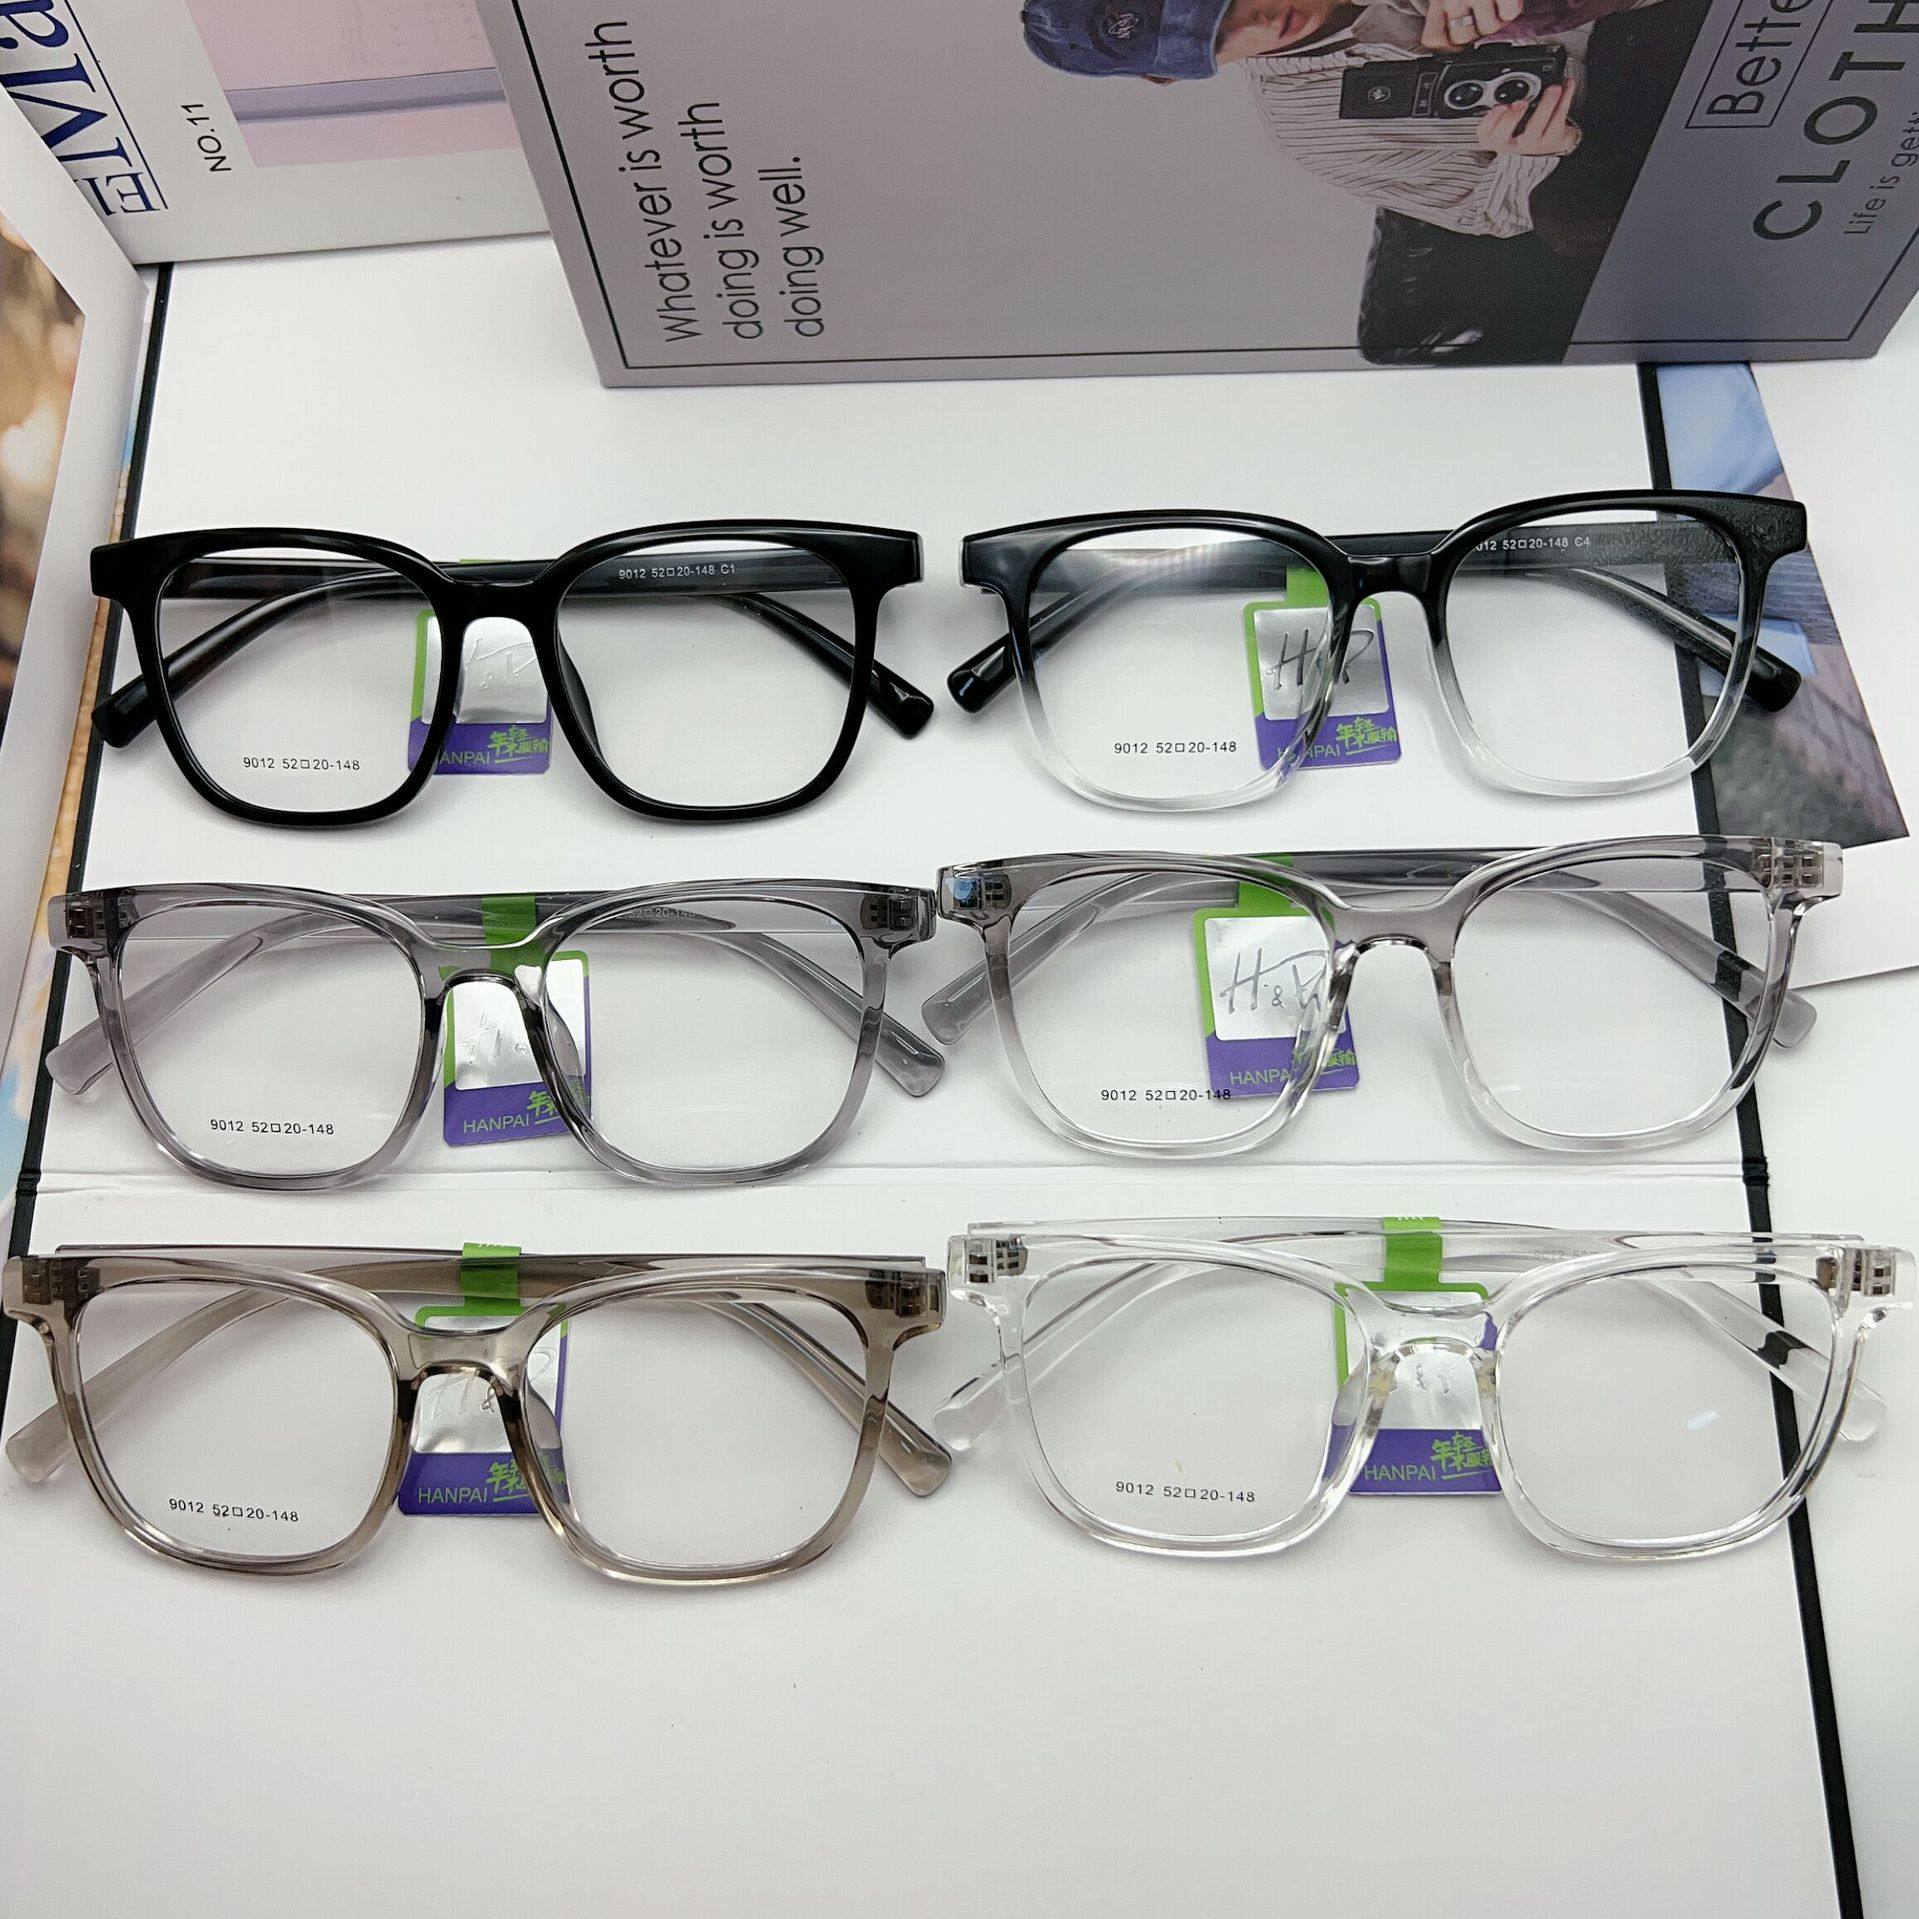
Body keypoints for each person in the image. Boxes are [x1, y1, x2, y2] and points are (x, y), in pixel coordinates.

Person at [1023, 0, 1642, 240]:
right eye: (1216, 38)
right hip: (1634, 117)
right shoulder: (1307, 126)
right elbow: (1489, 211)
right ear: (1172, 77)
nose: (1260, 21)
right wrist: (1531, 154)